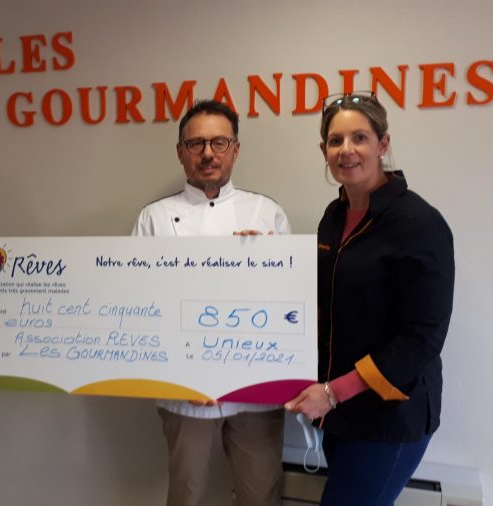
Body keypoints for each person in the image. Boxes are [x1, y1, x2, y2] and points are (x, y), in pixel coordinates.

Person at [284, 92, 455, 505]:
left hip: (389, 416)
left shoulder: (420, 223)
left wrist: (334, 392)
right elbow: (321, 295)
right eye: (335, 140)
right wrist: (259, 257)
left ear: (383, 144)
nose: (347, 150)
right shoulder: (334, 216)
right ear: (323, 150)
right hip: (339, 413)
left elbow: (422, 337)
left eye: (359, 137)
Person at [133, 99, 290, 506]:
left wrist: (270, 264)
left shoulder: (267, 213)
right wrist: (179, 375)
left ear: (235, 150)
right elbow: (140, 306)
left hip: (256, 387)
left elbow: (290, 305)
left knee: (261, 495)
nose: (208, 153)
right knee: (186, 494)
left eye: (219, 142)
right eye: (196, 143)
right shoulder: (154, 218)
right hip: (184, 389)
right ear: (180, 152)